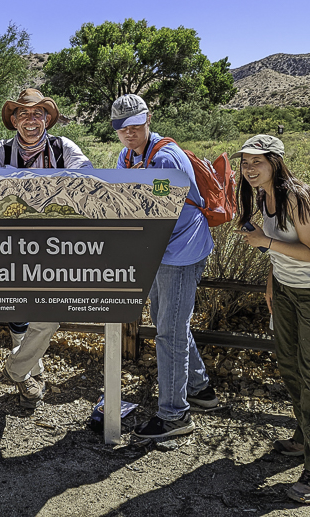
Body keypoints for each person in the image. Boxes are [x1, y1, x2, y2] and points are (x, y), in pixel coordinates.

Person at [234, 135, 310, 504]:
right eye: (245, 162)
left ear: (275, 163)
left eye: (256, 162)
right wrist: (271, 279)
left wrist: (265, 244)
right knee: (290, 366)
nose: (249, 169)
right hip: (285, 289)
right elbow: (278, 246)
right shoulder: (262, 196)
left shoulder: (299, 196)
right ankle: (305, 436)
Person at [111, 93, 219, 439]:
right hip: (158, 250)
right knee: (167, 321)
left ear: (148, 119)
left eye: (134, 124)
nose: (128, 132)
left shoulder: (166, 160)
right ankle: (201, 389)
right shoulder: (127, 156)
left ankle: (175, 416)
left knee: (169, 331)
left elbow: (157, 217)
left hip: (181, 251)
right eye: (121, 127)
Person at [0, 88, 93, 408]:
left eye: (38, 114)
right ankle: (30, 372)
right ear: (14, 120)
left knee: (50, 313)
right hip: (10, 245)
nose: (31, 120)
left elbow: (86, 179)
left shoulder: (62, 147)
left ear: (47, 119)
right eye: (24, 114)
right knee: (18, 310)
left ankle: (17, 369)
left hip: (54, 244)